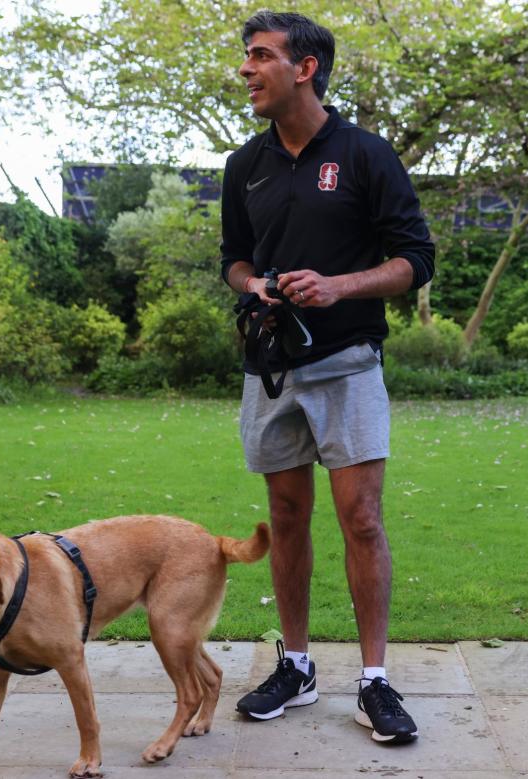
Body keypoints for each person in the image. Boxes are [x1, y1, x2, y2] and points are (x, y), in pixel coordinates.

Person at [219, 10, 435, 745]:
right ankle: (299, 665)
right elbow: (235, 261)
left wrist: (339, 286)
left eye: (259, 56)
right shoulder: (244, 166)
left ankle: (374, 680)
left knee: (362, 518)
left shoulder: (367, 156)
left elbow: (415, 261)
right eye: (246, 57)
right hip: (271, 367)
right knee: (285, 517)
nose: (245, 70)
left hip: (347, 365)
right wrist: (257, 288)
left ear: (305, 67)